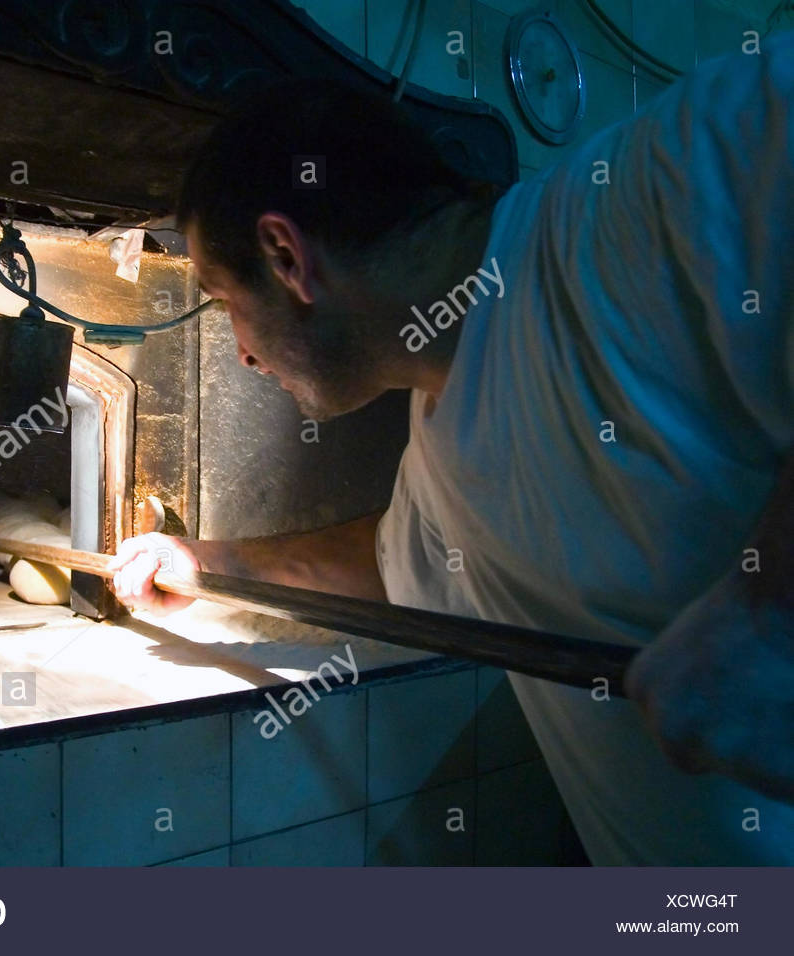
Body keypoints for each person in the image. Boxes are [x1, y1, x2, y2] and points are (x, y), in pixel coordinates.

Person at [107, 33, 794, 865]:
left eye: (224, 303)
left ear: (287, 257)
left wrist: (772, 613)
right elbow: (391, 564)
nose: (244, 355)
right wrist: (207, 563)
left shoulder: (639, 203)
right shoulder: (438, 456)